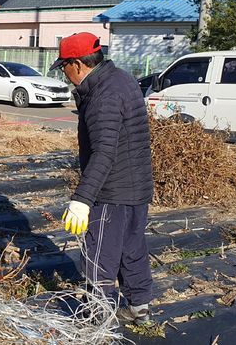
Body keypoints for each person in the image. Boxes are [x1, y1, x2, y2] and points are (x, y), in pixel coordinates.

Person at [51, 32, 154, 326]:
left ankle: (99, 320)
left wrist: (82, 200)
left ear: (77, 65)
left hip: (112, 191)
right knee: (131, 249)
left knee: (99, 256)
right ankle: (139, 309)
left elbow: (104, 153)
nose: (65, 74)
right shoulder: (122, 79)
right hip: (137, 186)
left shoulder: (102, 97)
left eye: (64, 67)